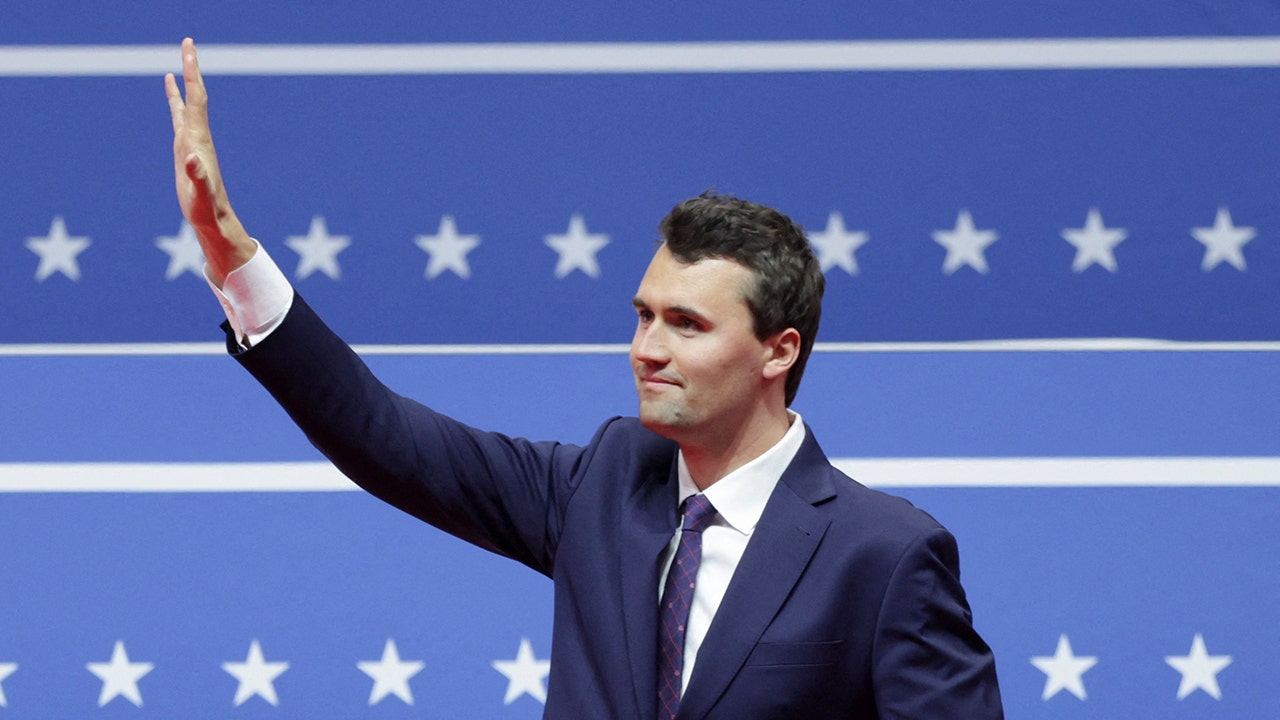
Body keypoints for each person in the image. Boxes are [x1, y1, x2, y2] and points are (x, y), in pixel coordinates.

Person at [165, 37, 1003, 719]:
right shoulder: (602, 484)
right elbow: (382, 434)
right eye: (644, 315)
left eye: (686, 324)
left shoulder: (884, 555)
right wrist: (231, 250)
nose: (646, 348)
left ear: (778, 352)